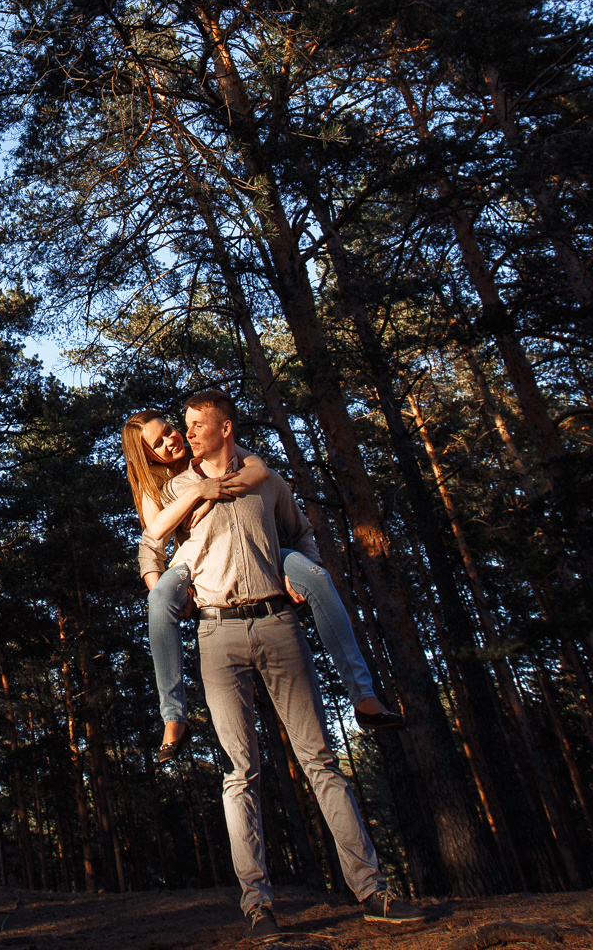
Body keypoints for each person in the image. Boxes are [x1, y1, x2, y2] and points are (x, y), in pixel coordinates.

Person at [170, 388, 419, 939]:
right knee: (240, 774)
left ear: (225, 427)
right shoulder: (181, 488)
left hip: (279, 625)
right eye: (186, 425)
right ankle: (257, 906)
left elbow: (301, 532)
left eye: (197, 424)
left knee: (320, 761)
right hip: (216, 634)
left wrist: (297, 567)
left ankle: (373, 891)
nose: (188, 433)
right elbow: (161, 545)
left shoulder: (268, 480)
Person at [123, 410, 400, 764]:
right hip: (197, 566)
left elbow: (260, 470)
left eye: (169, 430)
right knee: (159, 598)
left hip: (259, 552)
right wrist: (198, 492)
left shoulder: (213, 451)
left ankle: (363, 695)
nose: (170, 440)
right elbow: (151, 543)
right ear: (146, 455)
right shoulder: (157, 489)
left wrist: (219, 487)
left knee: (315, 575)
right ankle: (173, 717)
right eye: (157, 443)